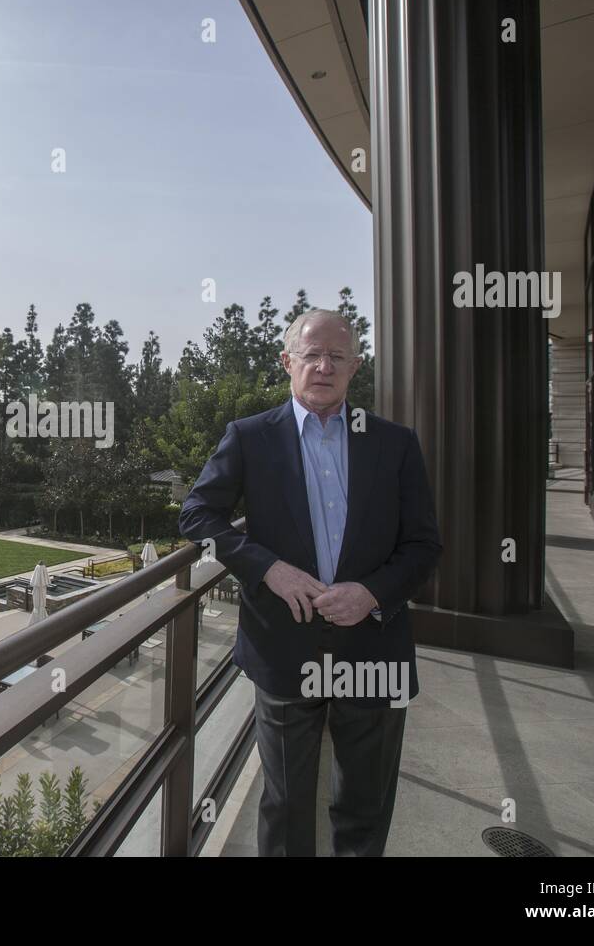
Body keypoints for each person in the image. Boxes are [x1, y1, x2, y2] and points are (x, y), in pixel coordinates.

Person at [179, 309, 442, 856]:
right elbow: (198, 516)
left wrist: (371, 593)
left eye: (337, 357)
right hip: (283, 647)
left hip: (374, 647)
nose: (323, 366)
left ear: (354, 367)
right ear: (287, 363)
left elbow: (423, 545)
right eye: (311, 355)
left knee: (365, 804)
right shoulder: (250, 438)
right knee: (286, 803)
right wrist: (267, 567)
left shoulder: (394, 443)